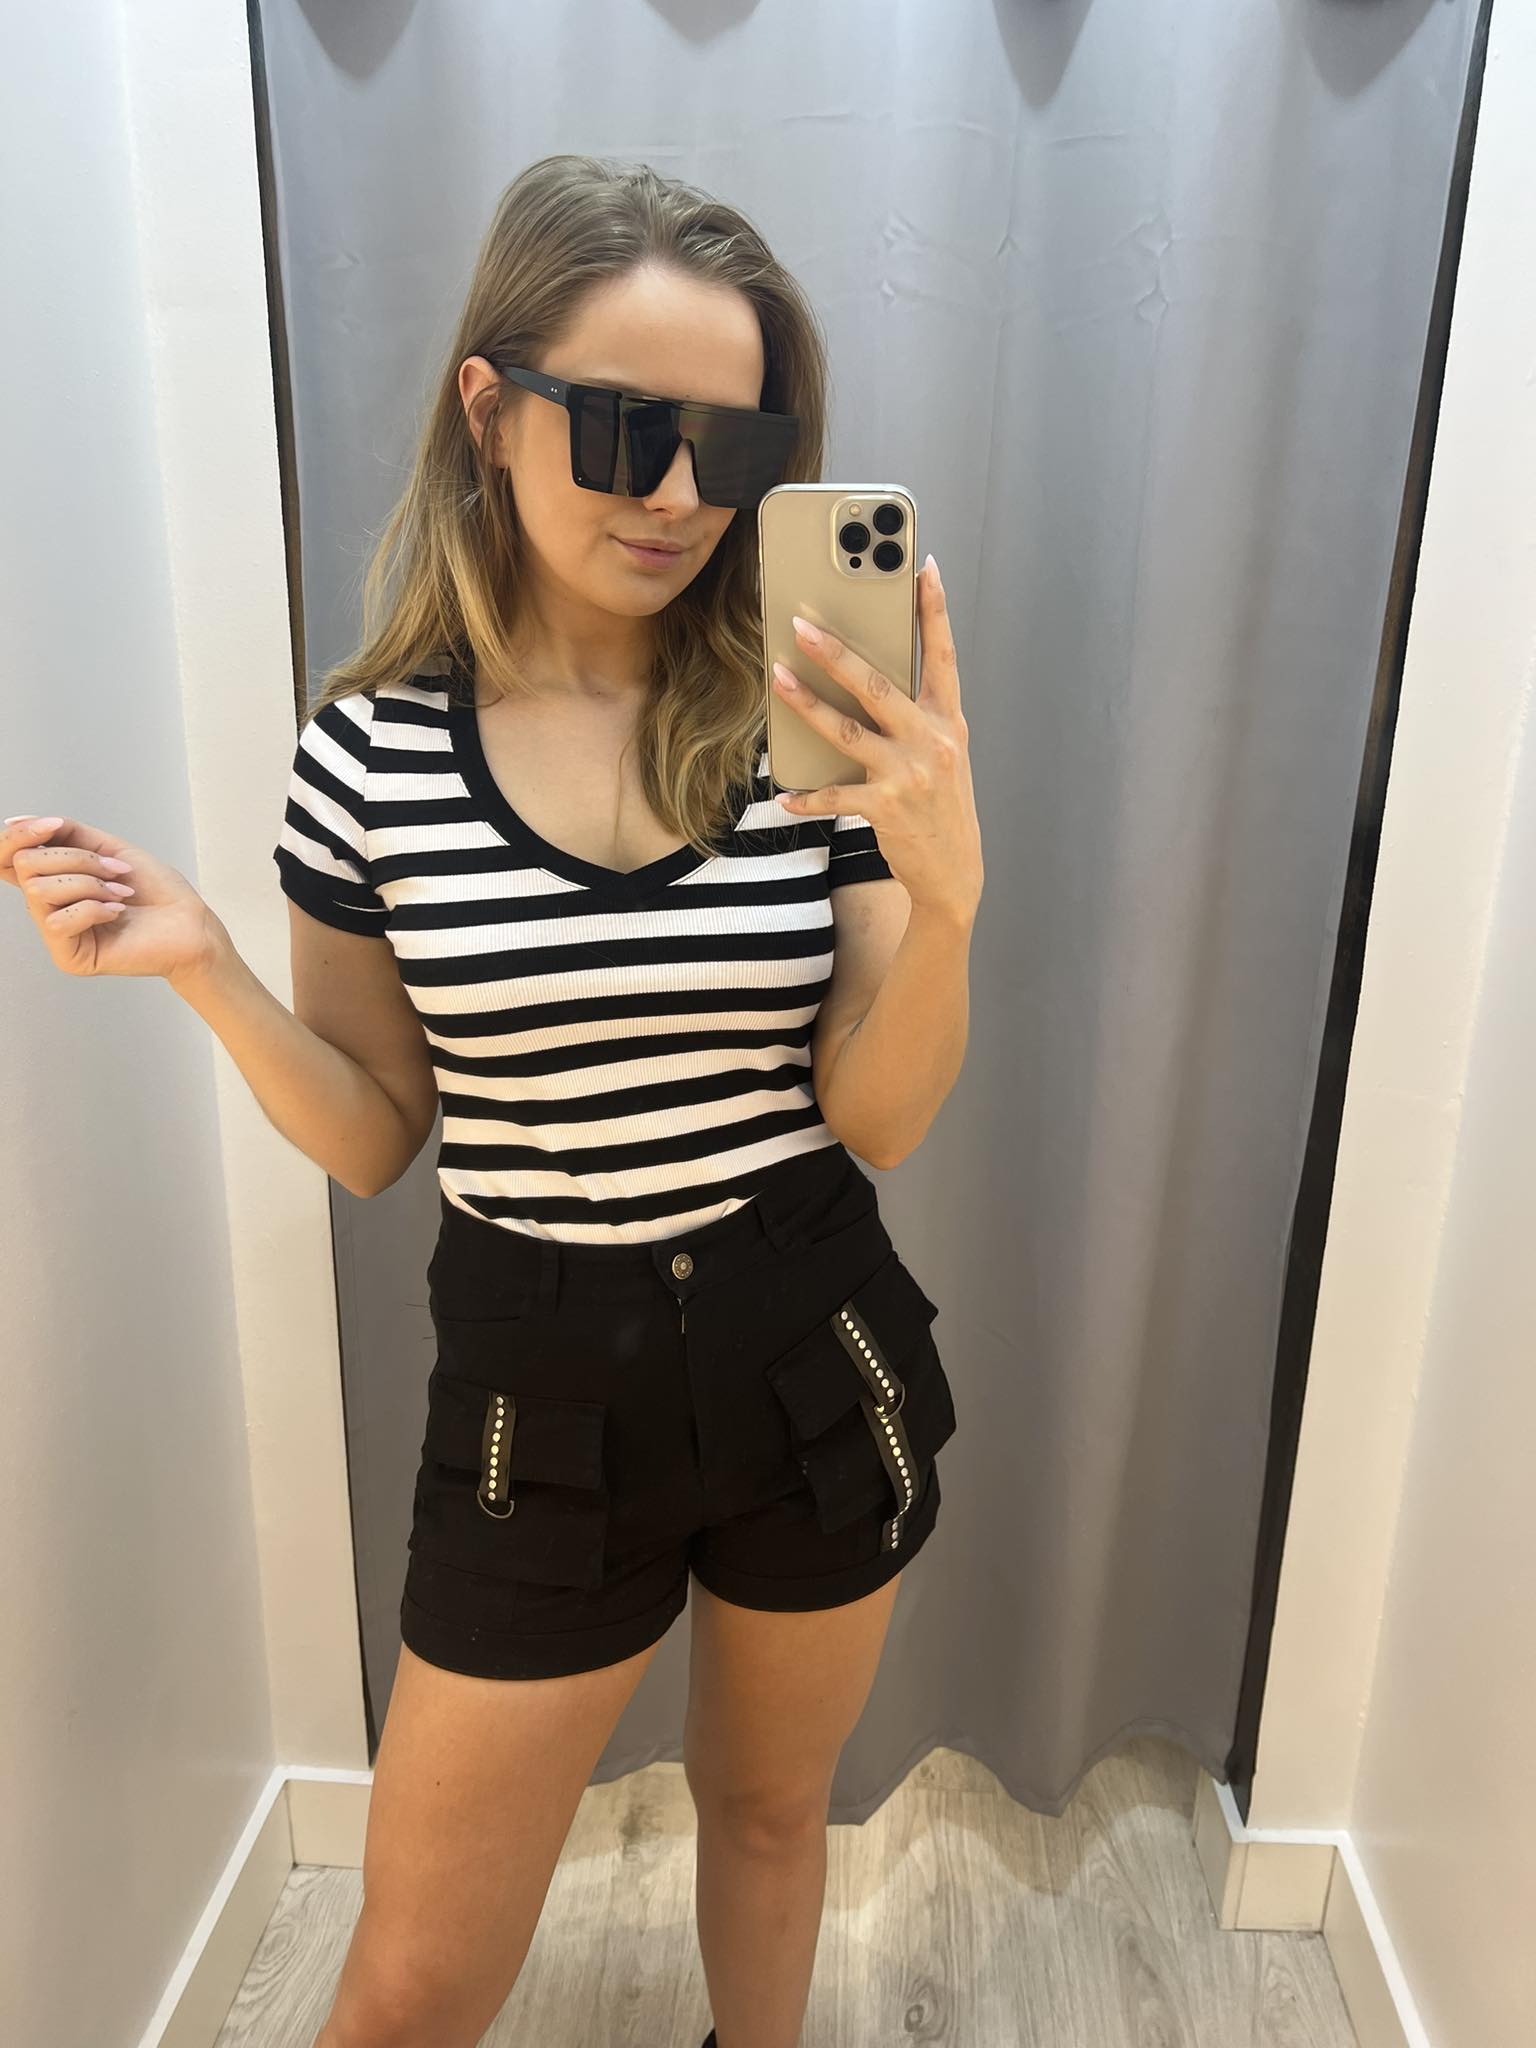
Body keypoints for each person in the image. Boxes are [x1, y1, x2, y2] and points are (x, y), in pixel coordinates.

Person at [4, 154, 983, 2048]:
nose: (680, 495)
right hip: (542, 1380)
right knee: (413, 1979)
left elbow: (879, 1116)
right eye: (622, 430)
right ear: (490, 406)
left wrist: (944, 901)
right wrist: (206, 966)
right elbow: (379, 1134)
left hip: (810, 1335)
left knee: (772, 1816)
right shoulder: (367, 761)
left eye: (732, 445)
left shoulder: (812, 730)